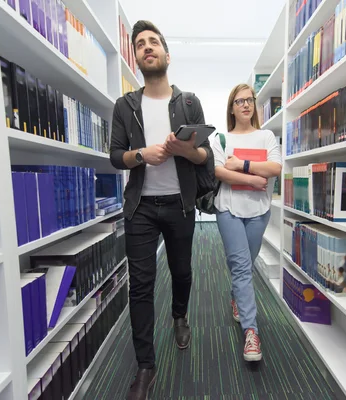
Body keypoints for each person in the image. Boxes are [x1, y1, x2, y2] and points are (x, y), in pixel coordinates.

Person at [109, 20, 212, 400]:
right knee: (141, 286)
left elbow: (206, 158)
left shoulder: (188, 102)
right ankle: (145, 366)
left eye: (153, 42)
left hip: (181, 205)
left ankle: (179, 315)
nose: (147, 47)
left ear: (167, 55)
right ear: (135, 57)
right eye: (140, 44)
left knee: (182, 271)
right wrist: (142, 155)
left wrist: (188, 150)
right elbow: (116, 157)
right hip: (140, 208)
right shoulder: (125, 106)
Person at [212, 83, 282, 362]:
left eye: (249, 100)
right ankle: (251, 332)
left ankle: (237, 298)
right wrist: (254, 179)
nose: (245, 105)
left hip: (259, 211)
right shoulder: (221, 139)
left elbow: (275, 168)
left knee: (245, 265)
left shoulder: (266, 136)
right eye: (239, 101)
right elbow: (218, 172)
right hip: (228, 210)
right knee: (241, 267)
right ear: (232, 107)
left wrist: (240, 165)